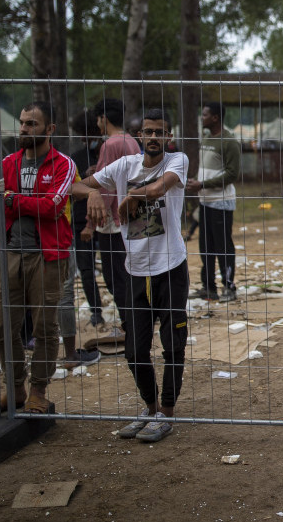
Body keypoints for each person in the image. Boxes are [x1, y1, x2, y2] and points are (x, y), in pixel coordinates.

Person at [74, 108, 190, 443]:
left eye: (161, 132)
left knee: (173, 345)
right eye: (149, 132)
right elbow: (76, 186)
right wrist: (95, 193)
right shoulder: (125, 165)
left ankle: (166, 413)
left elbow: (157, 190)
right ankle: (150, 408)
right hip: (135, 271)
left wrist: (130, 198)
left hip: (171, 269)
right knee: (135, 350)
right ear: (139, 135)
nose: (154, 138)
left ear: (169, 136)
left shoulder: (177, 160)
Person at [0, 101, 77, 415]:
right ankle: (16, 388)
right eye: (22, 123)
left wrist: (12, 198)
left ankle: (38, 390)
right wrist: (16, 201)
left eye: (31, 124)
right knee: (2, 325)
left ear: (49, 129)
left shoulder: (63, 164)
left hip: (48, 256)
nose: (23, 129)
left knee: (44, 327)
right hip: (9, 253)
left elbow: (52, 208)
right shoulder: (8, 162)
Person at [91, 98, 142, 322]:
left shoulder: (109, 144)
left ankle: (128, 322)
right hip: (129, 213)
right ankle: (134, 318)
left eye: (98, 118)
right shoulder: (130, 140)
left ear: (105, 118)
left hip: (112, 220)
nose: (97, 122)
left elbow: (105, 188)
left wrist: (92, 222)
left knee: (114, 277)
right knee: (127, 272)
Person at [186, 102, 240, 303]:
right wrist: (197, 182)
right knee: (205, 246)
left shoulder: (229, 142)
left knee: (223, 246)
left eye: (205, 114)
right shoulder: (207, 139)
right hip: (205, 201)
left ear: (215, 117)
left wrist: (202, 184)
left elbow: (232, 174)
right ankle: (209, 287)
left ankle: (229, 287)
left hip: (221, 202)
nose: (202, 117)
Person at [68, 108, 105, 328]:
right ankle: (96, 312)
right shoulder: (77, 158)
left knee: (115, 271)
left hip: (109, 221)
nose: (83, 139)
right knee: (86, 269)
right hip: (82, 220)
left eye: (86, 133)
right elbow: (71, 189)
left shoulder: (110, 152)